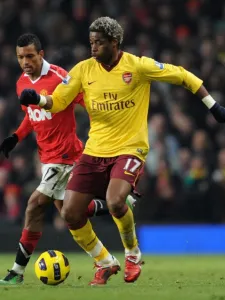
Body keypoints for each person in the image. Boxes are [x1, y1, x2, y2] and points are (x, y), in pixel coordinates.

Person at [19, 17, 225, 286]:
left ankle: (133, 254)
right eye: (91, 43)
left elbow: (183, 75)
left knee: (115, 201)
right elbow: (58, 102)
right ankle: (104, 263)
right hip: (95, 150)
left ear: (115, 43)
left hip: (130, 149)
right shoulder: (82, 70)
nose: (93, 48)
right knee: (70, 213)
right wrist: (39, 99)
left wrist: (214, 106)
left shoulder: (137, 66)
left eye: (99, 43)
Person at [0, 33, 136, 285]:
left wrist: (109, 132)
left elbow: (90, 102)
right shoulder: (22, 83)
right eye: (20, 57)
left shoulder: (61, 78)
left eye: (30, 56)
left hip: (66, 156)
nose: (25, 61)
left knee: (35, 205)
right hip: (47, 158)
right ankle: (107, 260)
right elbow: (32, 115)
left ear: (41, 54)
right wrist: (16, 137)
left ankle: (17, 272)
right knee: (73, 216)